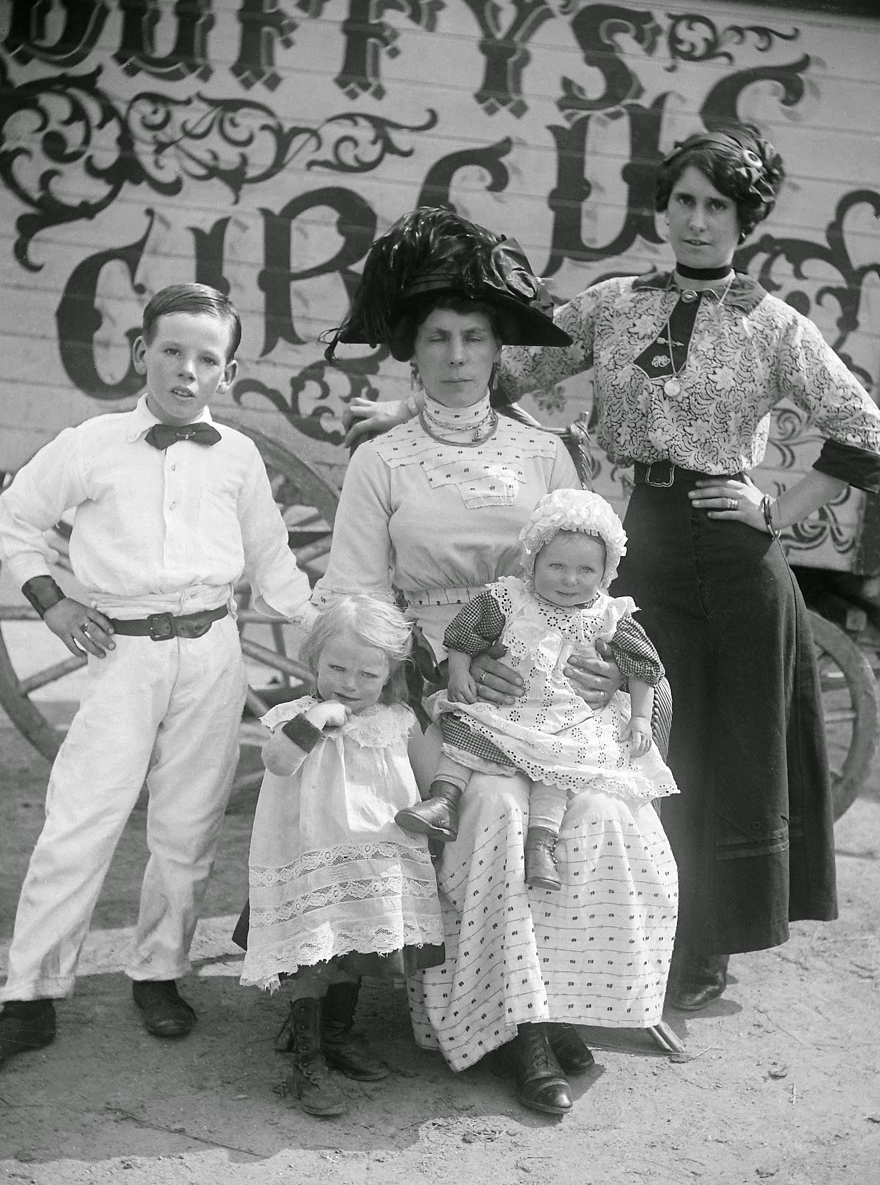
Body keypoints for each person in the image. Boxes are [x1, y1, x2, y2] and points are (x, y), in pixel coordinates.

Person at [345, 127, 880, 1014]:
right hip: (644, 542)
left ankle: (708, 946)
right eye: (684, 201)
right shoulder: (614, 305)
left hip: (737, 551)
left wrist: (775, 513)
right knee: (637, 736)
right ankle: (631, 929)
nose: (698, 221)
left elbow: (863, 431)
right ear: (663, 208)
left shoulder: (773, 324)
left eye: (719, 205)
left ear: (745, 218)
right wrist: (405, 409)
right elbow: (498, 369)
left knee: (723, 747)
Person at [315, 208, 678, 1116]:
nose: (454, 354)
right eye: (435, 337)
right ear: (411, 351)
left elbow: (584, 580)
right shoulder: (381, 460)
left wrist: (602, 669)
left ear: (495, 350)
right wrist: (437, 671)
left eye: (473, 336)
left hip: (550, 690)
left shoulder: (545, 452)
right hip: (434, 688)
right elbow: (355, 600)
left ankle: (557, 1005)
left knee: (598, 804)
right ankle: (512, 1032)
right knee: (494, 805)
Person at [0, 283, 316, 1069]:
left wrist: (341, 642)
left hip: (213, 653)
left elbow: (277, 570)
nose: (185, 371)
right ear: (142, 353)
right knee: (82, 818)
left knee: (188, 823)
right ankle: (30, 992)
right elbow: (14, 520)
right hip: (120, 654)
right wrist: (52, 603)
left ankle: (158, 971)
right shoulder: (90, 443)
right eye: (170, 351)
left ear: (228, 371)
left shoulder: (238, 457)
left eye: (206, 358)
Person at [395, 487, 678, 894]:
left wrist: (638, 716)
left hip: (568, 719)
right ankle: (443, 800)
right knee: (469, 732)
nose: (569, 579)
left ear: (605, 573)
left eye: (585, 571)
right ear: (533, 561)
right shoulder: (510, 599)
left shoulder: (610, 614)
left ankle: (542, 845)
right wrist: (459, 672)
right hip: (508, 706)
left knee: (559, 769)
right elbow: (465, 635)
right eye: (556, 566)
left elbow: (643, 666)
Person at [239, 595, 444, 1118]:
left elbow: (428, 779)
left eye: (366, 674)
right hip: (313, 855)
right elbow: (279, 763)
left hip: (370, 860)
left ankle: (336, 1034)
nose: (349, 684)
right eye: (336, 668)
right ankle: (306, 1055)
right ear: (313, 660)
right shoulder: (293, 717)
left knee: (353, 950)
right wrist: (317, 718)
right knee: (314, 955)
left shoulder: (397, 721)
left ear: (390, 675)